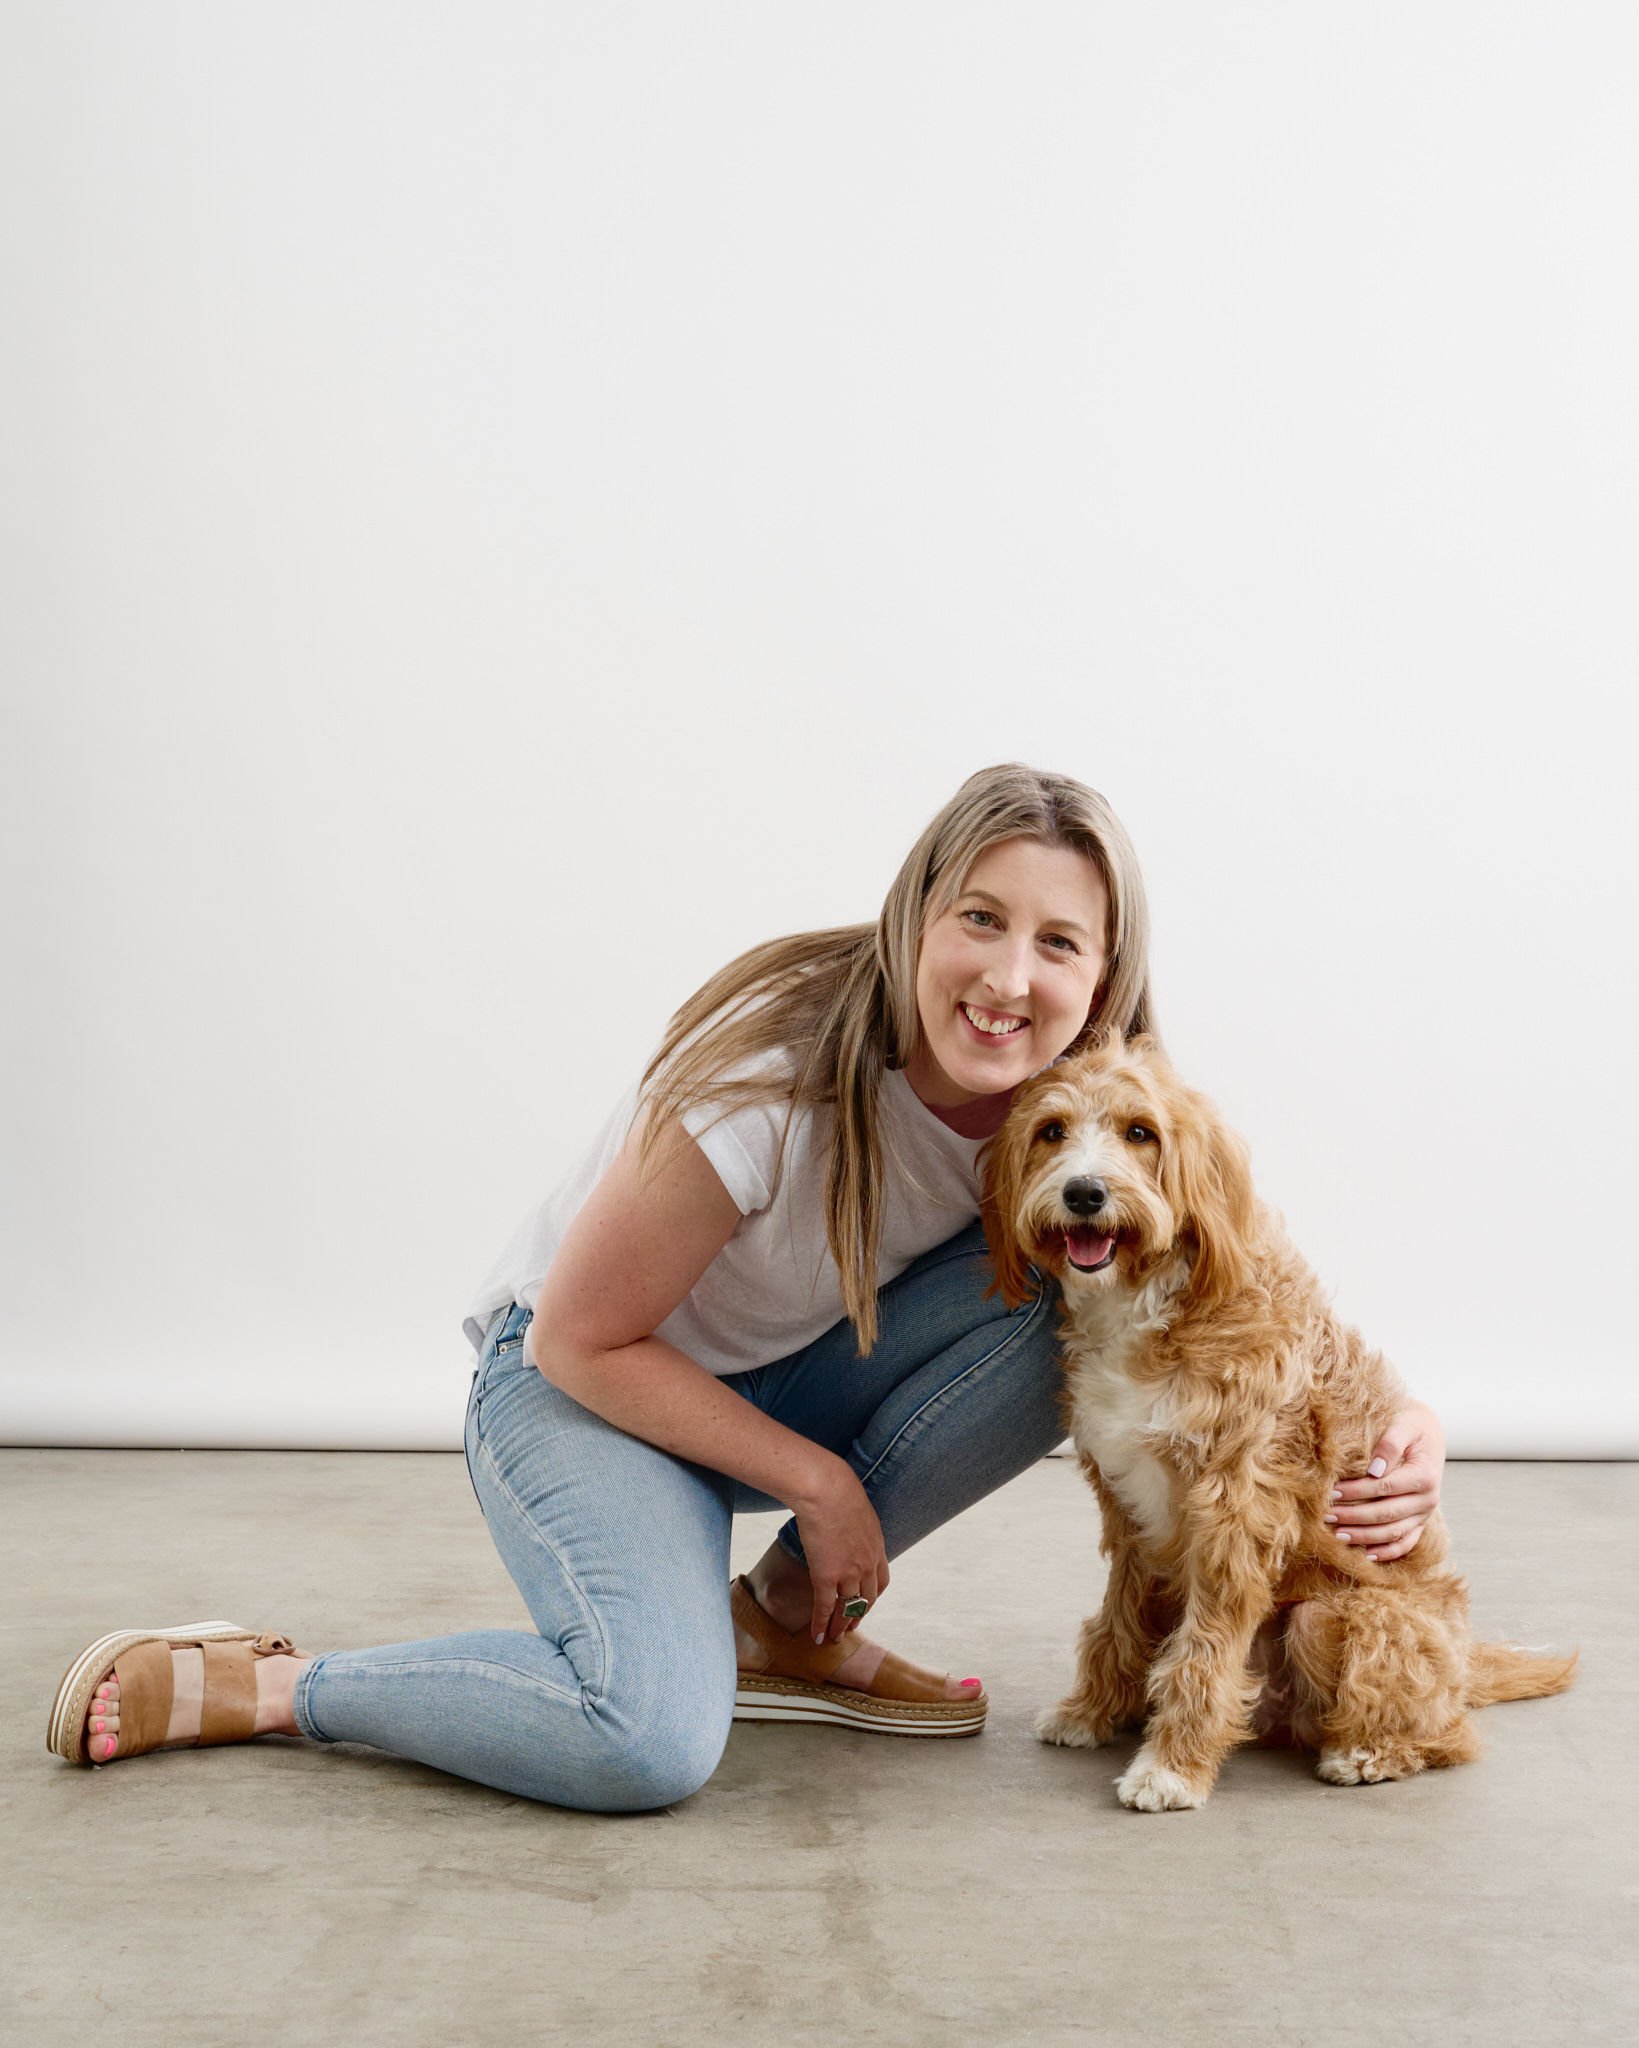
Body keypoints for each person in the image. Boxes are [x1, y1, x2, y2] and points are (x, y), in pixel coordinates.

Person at [49, 763, 1447, 1809]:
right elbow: (581, 1342)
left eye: (1059, 944)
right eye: (980, 918)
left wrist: (1404, 1426)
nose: (1010, 977)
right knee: (645, 1743)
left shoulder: (1088, 1114)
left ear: (1107, 976)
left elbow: (1244, 1286)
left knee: (1091, 1301)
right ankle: (278, 1685)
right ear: (917, 918)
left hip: (779, 1376)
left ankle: (778, 1628)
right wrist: (822, 1488)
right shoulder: (772, 1081)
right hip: (582, 1389)